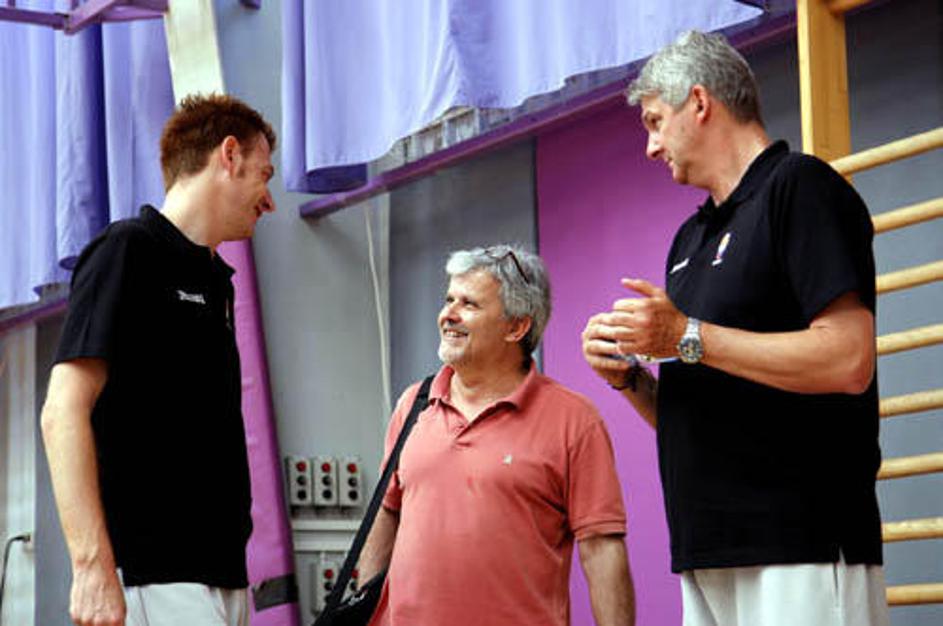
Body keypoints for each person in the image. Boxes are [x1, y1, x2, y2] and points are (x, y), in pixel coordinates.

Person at [581, 30, 888, 626]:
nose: (650, 146)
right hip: (707, 551)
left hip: (800, 542)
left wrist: (686, 335)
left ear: (699, 102)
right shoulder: (689, 239)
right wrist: (632, 380)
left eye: (655, 122)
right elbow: (700, 405)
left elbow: (849, 360)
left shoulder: (800, 186)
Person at [40, 94, 276, 626]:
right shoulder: (127, 250)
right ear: (229, 155)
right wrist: (91, 566)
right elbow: (61, 412)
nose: (270, 201)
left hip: (224, 577)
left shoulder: (216, 281)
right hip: (156, 578)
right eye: (264, 175)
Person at [359, 244, 635, 626]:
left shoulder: (575, 420)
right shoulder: (413, 405)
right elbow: (387, 511)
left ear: (517, 327)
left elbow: (601, 549)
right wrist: (364, 610)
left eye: (469, 304)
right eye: (449, 300)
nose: (448, 315)